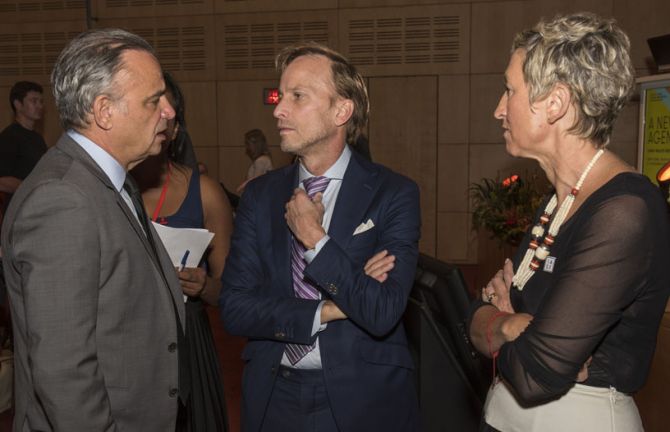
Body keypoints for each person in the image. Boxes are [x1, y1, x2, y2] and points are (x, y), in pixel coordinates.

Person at [468, 13, 670, 432]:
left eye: (510, 91)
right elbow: (476, 321)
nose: (498, 109)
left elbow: (534, 374)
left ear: (555, 103)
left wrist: (498, 324)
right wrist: (508, 324)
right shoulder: (559, 201)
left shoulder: (624, 211)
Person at [220, 42, 421, 432]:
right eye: (281, 96)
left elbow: (381, 312)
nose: (279, 109)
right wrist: (326, 310)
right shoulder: (260, 196)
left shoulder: (393, 193)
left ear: (341, 111)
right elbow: (234, 307)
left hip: (363, 399)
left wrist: (316, 240)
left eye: (298, 97)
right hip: (273, 396)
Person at [1, 29, 190, 431]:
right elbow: (64, 369)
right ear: (104, 111)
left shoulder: (110, 180)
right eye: (154, 100)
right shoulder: (63, 199)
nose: (169, 111)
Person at [132, 71, 233, 432]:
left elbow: (230, 293)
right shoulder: (105, 192)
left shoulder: (205, 192)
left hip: (189, 341)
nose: (159, 123)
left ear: (176, 130)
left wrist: (203, 286)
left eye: (167, 116)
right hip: (126, 341)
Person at [0, 81, 47, 196]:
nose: (40, 106)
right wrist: (34, 190)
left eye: (41, 101)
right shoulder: (9, 137)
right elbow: (2, 180)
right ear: (18, 104)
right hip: (18, 210)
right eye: (34, 101)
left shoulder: (38, 138)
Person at [236, 128, 273, 193]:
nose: (246, 147)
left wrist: (242, 188)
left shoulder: (261, 161)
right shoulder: (263, 159)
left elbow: (255, 183)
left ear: (255, 144)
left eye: (248, 144)